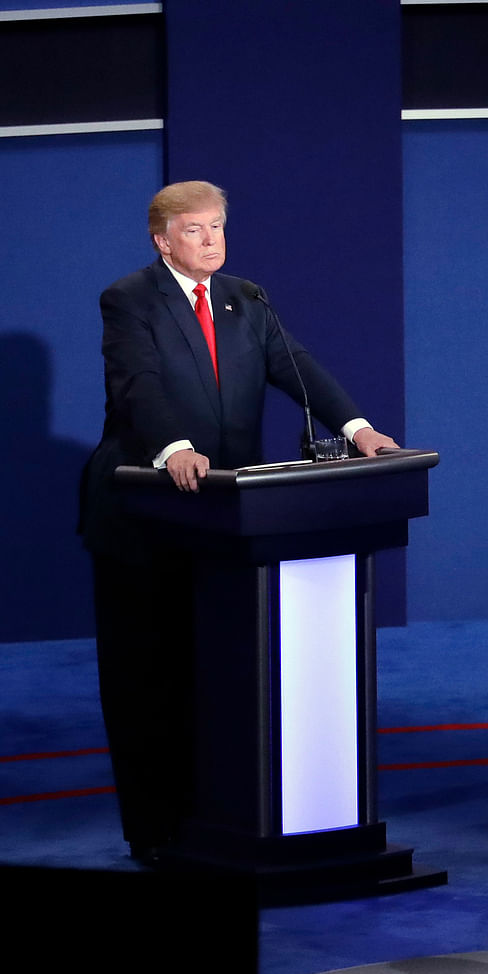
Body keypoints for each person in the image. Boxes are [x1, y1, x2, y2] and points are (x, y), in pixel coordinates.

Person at [78, 180, 398, 862]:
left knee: (222, 675)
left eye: (218, 226)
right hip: (146, 513)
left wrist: (359, 426)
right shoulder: (130, 299)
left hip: (231, 517)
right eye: (195, 230)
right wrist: (174, 447)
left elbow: (295, 365)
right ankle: (155, 831)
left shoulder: (244, 298)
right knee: (149, 677)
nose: (212, 239)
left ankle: (227, 816)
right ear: (162, 240)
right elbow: (138, 384)